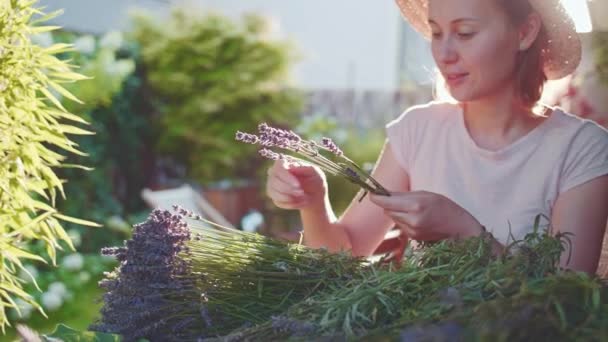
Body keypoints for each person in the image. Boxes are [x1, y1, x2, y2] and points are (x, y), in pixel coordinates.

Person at [265, 0, 608, 274]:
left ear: (525, 31)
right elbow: (346, 253)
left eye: (465, 33)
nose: (443, 54)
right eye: (436, 33)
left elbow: (568, 295)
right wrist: (313, 203)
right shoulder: (418, 131)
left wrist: (463, 231)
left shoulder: (581, 150)